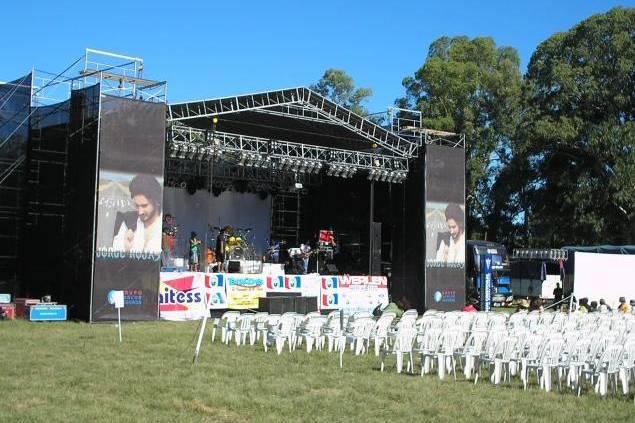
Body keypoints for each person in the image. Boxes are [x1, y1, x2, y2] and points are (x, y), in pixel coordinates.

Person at [113, 174, 162, 253]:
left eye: (144, 205)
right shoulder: (127, 222)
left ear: (157, 202)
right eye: (136, 205)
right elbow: (113, 254)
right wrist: (126, 249)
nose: (140, 212)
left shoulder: (165, 226)